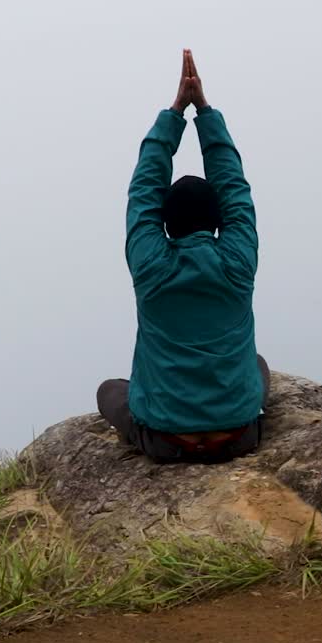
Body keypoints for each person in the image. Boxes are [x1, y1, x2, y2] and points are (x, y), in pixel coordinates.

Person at [96, 49, 269, 464]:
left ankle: (168, 424)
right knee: (259, 366)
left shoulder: (150, 265)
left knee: (110, 390)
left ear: (164, 222)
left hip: (166, 440)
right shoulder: (238, 261)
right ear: (218, 219)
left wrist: (174, 114)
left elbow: (143, 190)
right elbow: (234, 188)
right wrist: (204, 113)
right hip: (239, 435)